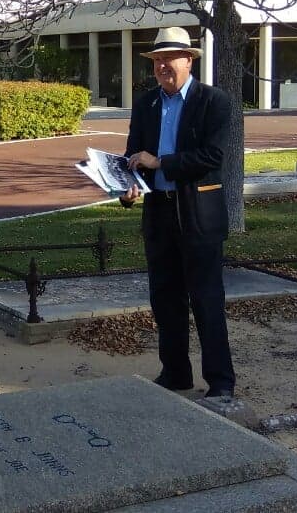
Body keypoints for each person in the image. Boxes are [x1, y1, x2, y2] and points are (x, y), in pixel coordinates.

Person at [119, 27, 236, 399]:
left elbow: (212, 158)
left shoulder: (214, 101)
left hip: (198, 215)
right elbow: (133, 155)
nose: (162, 66)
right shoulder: (146, 104)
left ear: (189, 59)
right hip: (158, 213)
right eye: (156, 60)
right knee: (165, 298)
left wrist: (161, 162)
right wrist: (127, 183)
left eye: (169, 58)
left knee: (206, 299)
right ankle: (175, 373)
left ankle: (220, 381)